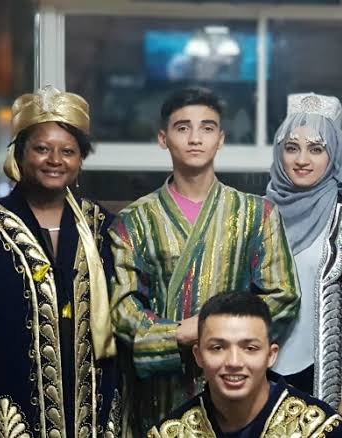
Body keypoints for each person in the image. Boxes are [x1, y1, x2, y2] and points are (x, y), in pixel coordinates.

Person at [109, 87, 299, 433]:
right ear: (163, 139)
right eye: (183, 128)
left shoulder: (257, 214)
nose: (195, 138)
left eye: (207, 128)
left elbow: (282, 296)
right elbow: (123, 310)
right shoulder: (134, 220)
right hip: (160, 391)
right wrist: (179, 334)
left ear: (221, 139)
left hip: (236, 381)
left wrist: (221, 334)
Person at [0, 85, 123, 437]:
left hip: (92, 397)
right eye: (41, 149)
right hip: (9, 391)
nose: (55, 160)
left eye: (68, 151)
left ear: (80, 159)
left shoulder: (102, 227)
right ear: (20, 154)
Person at [266, 93, 342, 435]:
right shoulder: (258, 216)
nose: (302, 160)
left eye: (316, 149)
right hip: (260, 376)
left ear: (334, 156)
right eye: (292, 148)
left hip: (328, 381)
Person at [148, 292, 342, 438]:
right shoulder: (171, 433)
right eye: (218, 348)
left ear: (271, 355)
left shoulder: (323, 430)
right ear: (199, 356)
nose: (234, 362)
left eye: (249, 348)